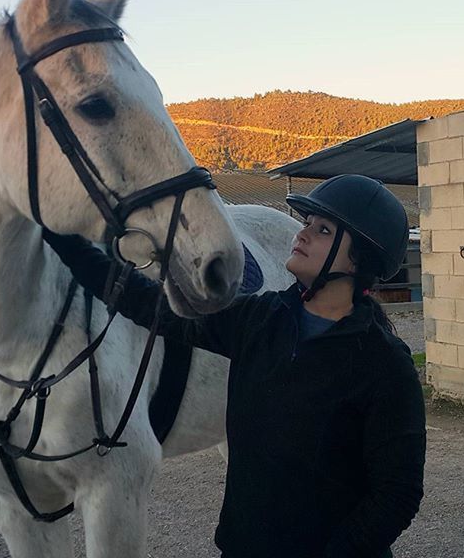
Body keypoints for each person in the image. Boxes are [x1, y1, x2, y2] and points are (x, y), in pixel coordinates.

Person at [43, 174, 426, 558]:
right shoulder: (259, 319)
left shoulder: (384, 364)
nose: (303, 234)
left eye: (322, 229)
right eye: (306, 223)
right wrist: (63, 239)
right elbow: (150, 306)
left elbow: (398, 491)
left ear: (361, 259)